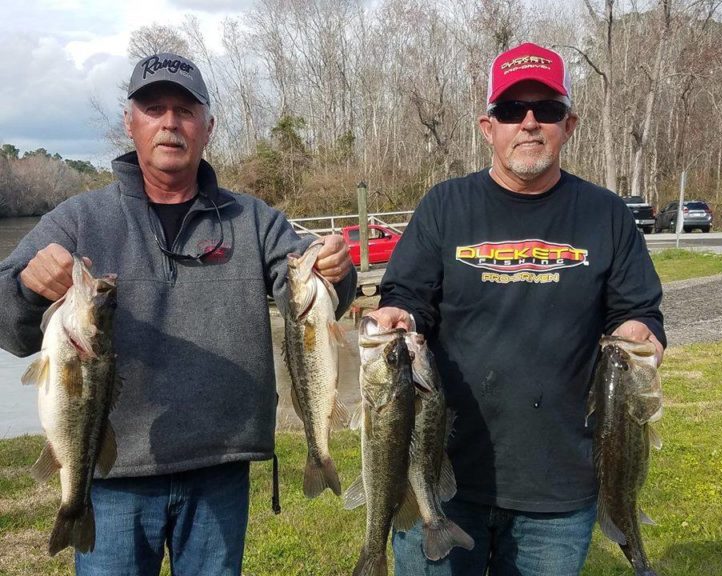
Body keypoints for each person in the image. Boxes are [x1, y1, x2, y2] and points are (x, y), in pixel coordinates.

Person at [0, 52, 356, 575]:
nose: (170, 122)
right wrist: (29, 287)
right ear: (130, 122)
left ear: (208, 126)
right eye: (154, 108)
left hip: (220, 470)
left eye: (185, 110)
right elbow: (7, 317)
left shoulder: (253, 219)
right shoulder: (78, 219)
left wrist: (336, 270)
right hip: (112, 475)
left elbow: (307, 295)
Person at [369, 42, 665, 576]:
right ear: (488, 126)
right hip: (441, 468)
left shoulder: (607, 214)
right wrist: (398, 318)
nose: (529, 123)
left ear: (568, 124)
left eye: (546, 110)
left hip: (559, 484)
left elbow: (639, 311)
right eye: (511, 111)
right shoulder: (444, 206)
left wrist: (640, 334)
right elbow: (409, 299)